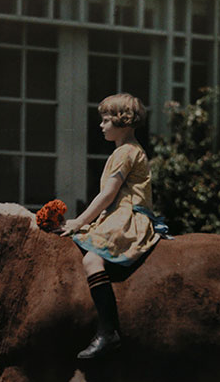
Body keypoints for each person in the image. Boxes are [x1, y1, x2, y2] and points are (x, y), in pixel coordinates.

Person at [61, 93, 165, 359]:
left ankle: (108, 332)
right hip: (117, 214)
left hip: (128, 217)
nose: (102, 125)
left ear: (124, 121)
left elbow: (108, 195)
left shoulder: (126, 153)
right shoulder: (126, 151)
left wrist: (79, 221)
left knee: (92, 260)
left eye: (107, 120)